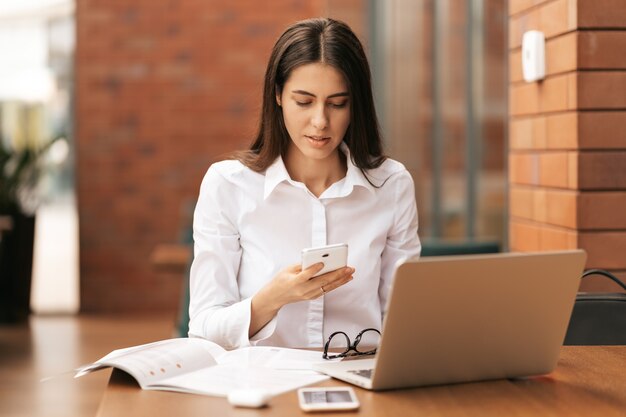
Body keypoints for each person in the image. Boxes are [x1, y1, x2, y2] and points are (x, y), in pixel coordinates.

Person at [188, 17, 421, 350]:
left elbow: (403, 320)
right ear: (278, 95)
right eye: (304, 101)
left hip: (362, 381)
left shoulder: (392, 185)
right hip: (262, 383)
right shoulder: (228, 185)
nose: (321, 122)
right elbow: (204, 328)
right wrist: (272, 298)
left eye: (338, 103)